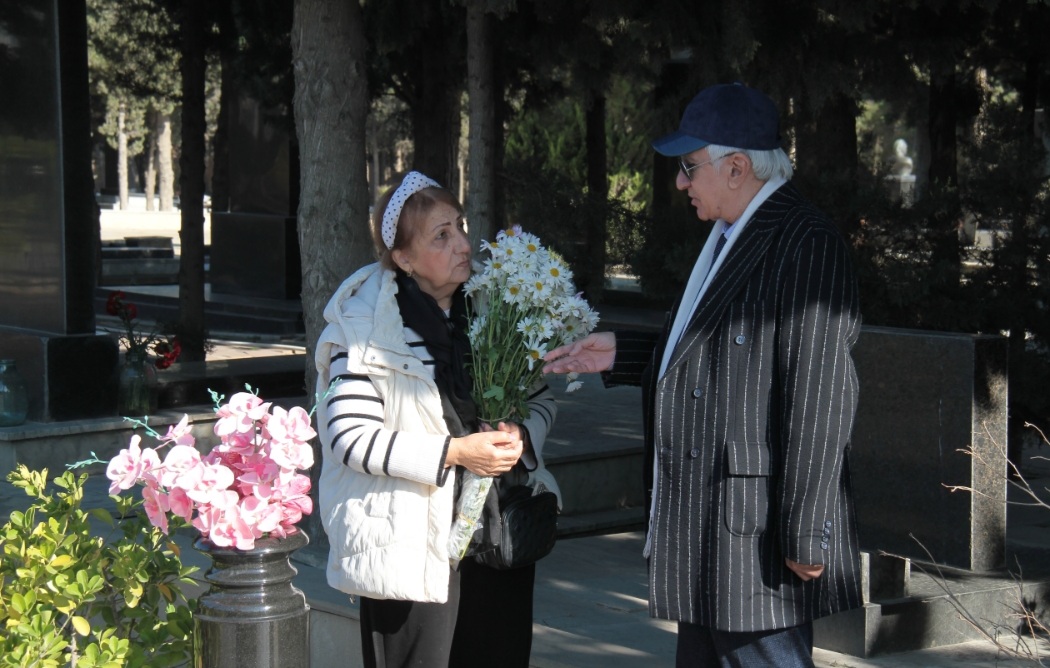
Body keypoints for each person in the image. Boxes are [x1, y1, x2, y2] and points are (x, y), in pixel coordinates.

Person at [544, 82, 863, 667]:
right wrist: (623, 354)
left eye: (691, 167)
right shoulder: (728, 234)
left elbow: (819, 395)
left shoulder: (805, 241)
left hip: (756, 537)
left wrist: (806, 531)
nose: (680, 182)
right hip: (707, 527)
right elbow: (716, 354)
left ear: (737, 167)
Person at [314, 171, 557, 668]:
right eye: (441, 236)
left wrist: (523, 433)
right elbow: (348, 436)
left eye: (461, 227)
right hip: (410, 545)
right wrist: (454, 452)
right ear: (403, 258)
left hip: (497, 540)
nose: (464, 244)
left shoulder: (496, 312)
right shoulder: (364, 327)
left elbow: (540, 395)